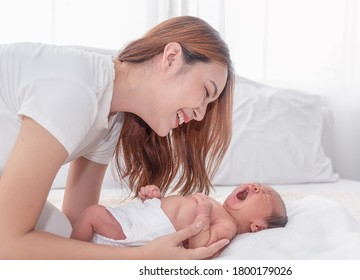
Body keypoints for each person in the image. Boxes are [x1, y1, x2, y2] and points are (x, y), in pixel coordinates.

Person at [0, 16, 235, 259]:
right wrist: (143, 257)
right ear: (172, 58)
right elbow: (6, 245)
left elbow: (78, 224)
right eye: (206, 91)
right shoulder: (79, 92)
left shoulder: (112, 116)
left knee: (58, 232)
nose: (200, 114)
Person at [70, 183, 288, 254]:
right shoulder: (217, 207)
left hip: (143, 230)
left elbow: (200, 246)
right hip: (143, 216)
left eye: (265, 196)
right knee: (93, 215)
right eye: (256, 184)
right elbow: (174, 213)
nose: (256, 187)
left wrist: (203, 213)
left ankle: (68, 256)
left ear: (257, 226)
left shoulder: (228, 226)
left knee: (92, 214)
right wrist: (156, 197)